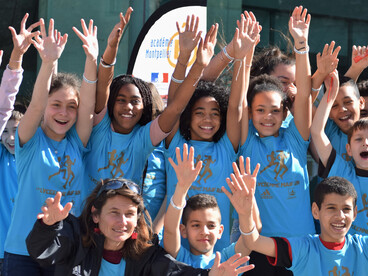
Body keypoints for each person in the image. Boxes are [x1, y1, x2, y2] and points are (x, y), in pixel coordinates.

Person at [3, 18, 98, 276]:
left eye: (71, 106)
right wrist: (47, 63)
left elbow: (88, 105)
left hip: (65, 252)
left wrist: (92, 59)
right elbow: (35, 105)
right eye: (56, 104)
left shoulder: (77, 144)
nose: (64, 113)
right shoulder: (30, 141)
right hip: (22, 254)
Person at [85, 9, 218, 193]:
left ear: (144, 106)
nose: (128, 107)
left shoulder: (143, 138)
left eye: (135, 101)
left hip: (127, 219)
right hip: (89, 218)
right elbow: (103, 86)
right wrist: (111, 48)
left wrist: (197, 64)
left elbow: (175, 108)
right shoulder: (100, 127)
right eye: (121, 100)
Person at [164, 12, 261, 251]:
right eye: (199, 112)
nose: (208, 119)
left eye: (215, 113)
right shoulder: (174, 142)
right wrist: (185, 58)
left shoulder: (227, 148)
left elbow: (238, 104)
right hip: (177, 251)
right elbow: (175, 101)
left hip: (217, 255)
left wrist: (241, 57)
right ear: (188, 116)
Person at [26, 178, 254, 276]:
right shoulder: (75, 237)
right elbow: (41, 252)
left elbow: (174, 272)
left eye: (129, 214)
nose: (122, 222)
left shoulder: (146, 253)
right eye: (114, 213)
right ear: (96, 215)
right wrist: (48, 226)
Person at [239, 6, 314, 275]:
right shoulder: (246, 141)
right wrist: (244, 54)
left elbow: (304, 94)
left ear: (285, 110)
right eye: (260, 110)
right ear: (250, 111)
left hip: (302, 250)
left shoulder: (296, 137)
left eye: (275, 110)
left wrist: (301, 44)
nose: (268, 117)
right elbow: (238, 103)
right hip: (261, 250)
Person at [241, 175, 368, 275]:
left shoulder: (363, 247)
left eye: (346, 209)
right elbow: (253, 242)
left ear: (355, 213)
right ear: (315, 211)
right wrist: (246, 211)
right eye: (331, 208)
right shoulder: (304, 249)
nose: (340, 215)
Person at [164, 143, 260, 269]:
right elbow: (170, 230)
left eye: (211, 226)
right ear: (183, 230)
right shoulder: (178, 258)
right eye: (196, 225)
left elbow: (253, 234)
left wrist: (248, 204)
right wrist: (181, 187)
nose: (204, 232)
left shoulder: (229, 260)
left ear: (220, 231)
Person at [311, 69, 368, 236]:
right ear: (348, 149)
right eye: (358, 139)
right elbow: (317, 131)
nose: (365, 143)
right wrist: (330, 94)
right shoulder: (342, 171)